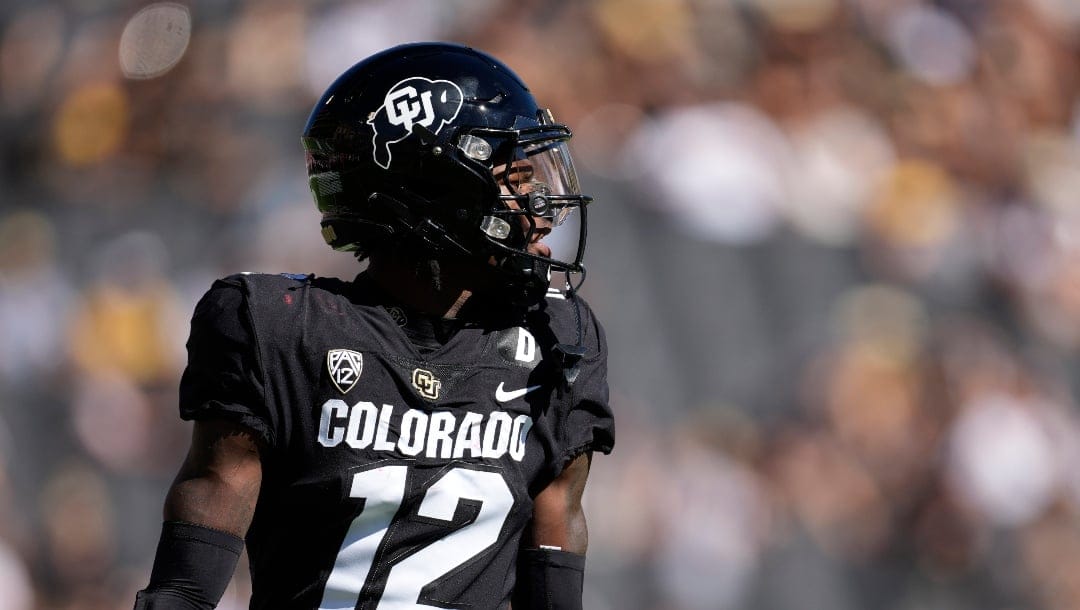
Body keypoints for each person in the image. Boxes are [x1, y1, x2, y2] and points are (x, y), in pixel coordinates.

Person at [133, 42, 615, 609]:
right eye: (513, 181)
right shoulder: (283, 329)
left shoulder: (557, 341)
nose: (539, 211)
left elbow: (554, 583)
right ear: (436, 191)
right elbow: (186, 588)